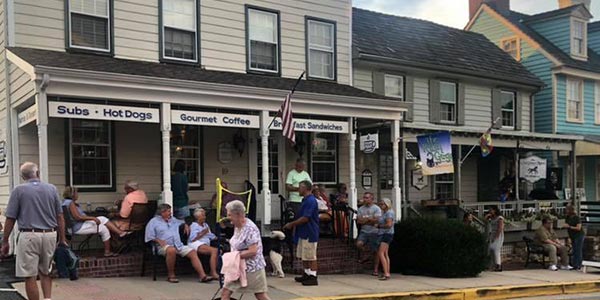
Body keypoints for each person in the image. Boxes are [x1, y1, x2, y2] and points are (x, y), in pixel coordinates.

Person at [1, 162, 68, 300]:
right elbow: (60, 216)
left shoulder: (19, 191)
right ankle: (47, 298)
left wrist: (5, 240)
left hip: (29, 235)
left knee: (30, 275)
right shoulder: (51, 189)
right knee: (46, 272)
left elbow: (10, 218)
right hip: (50, 234)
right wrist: (62, 238)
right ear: (37, 173)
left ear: (23, 176)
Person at [145, 204, 211, 283]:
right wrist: (158, 240)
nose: (170, 213)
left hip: (178, 245)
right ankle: (171, 275)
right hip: (162, 246)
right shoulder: (153, 222)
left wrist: (186, 225)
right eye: (168, 211)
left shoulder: (173, 220)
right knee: (171, 250)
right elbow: (149, 236)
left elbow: (182, 222)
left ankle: (202, 276)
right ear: (162, 212)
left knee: (192, 252)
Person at [221, 200, 270, 300]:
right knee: (225, 292)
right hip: (237, 267)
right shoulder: (237, 225)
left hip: (252, 268)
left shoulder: (250, 229)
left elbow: (253, 251)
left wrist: (233, 256)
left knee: (260, 295)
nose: (228, 217)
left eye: (230, 215)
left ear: (238, 214)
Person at [62, 186, 130, 257]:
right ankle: (119, 235)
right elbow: (78, 217)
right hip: (78, 226)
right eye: (76, 192)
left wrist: (91, 218)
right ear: (72, 194)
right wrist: (93, 218)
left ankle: (111, 247)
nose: (77, 194)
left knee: (103, 226)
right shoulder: (70, 203)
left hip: (76, 226)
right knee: (103, 222)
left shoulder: (64, 202)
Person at [284, 180, 319, 286]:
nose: (298, 189)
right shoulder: (304, 200)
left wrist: (291, 224)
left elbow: (305, 218)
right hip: (302, 232)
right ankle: (307, 274)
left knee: (311, 255)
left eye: (300, 187)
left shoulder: (311, 201)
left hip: (310, 232)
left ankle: (313, 277)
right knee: (304, 255)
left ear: (306, 188)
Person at [188, 208, 219, 279]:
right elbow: (192, 239)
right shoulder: (194, 225)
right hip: (195, 243)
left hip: (205, 243)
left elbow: (210, 235)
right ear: (197, 217)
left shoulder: (205, 225)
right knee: (214, 251)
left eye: (204, 215)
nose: (205, 217)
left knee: (218, 250)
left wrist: (217, 237)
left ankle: (214, 270)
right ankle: (213, 272)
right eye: (203, 216)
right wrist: (203, 233)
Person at [356, 192, 382, 264]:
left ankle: (375, 267)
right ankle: (366, 255)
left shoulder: (376, 208)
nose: (364, 199)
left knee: (375, 249)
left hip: (374, 232)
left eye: (367, 198)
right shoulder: (361, 209)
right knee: (359, 244)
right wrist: (370, 219)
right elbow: (359, 221)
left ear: (372, 199)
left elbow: (377, 220)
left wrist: (366, 220)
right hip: (364, 231)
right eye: (364, 197)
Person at [374, 198, 394, 280]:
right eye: (380, 204)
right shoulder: (384, 213)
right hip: (384, 234)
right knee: (385, 254)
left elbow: (389, 225)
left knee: (380, 253)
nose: (381, 206)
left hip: (386, 234)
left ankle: (386, 273)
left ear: (387, 204)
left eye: (383, 204)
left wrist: (379, 226)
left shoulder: (389, 213)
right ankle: (387, 272)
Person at [563, 204, 585, 270]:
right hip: (572, 235)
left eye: (567, 209)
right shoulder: (567, 217)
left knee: (578, 250)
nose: (566, 210)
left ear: (570, 210)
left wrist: (569, 227)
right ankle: (574, 264)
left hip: (579, 235)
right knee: (574, 250)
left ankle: (579, 264)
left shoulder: (576, 218)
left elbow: (578, 228)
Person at [486, 206, 504, 272]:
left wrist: (496, 237)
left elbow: (500, 228)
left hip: (498, 235)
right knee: (490, 249)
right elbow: (485, 221)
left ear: (495, 210)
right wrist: (487, 217)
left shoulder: (500, 218)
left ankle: (498, 265)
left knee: (496, 249)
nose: (490, 211)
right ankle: (493, 264)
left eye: (491, 210)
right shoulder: (492, 218)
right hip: (492, 234)